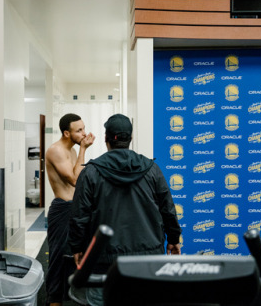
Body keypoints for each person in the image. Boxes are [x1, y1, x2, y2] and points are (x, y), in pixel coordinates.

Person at [68, 113, 182, 306]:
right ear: (130, 139)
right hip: (148, 262)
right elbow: (168, 210)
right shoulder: (152, 169)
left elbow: (79, 216)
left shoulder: (90, 173)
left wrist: (77, 248)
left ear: (106, 139)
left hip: (102, 262)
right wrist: (173, 239)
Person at [44, 113, 95, 306]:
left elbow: (79, 177)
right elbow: (75, 180)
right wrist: (83, 149)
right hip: (62, 209)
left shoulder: (73, 150)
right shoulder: (56, 151)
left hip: (75, 208)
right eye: (79, 130)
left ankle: (72, 297)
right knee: (58, 257)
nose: (84, 133)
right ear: (66, 133)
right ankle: (54, 301)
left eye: (83, 128)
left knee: (76, 254)